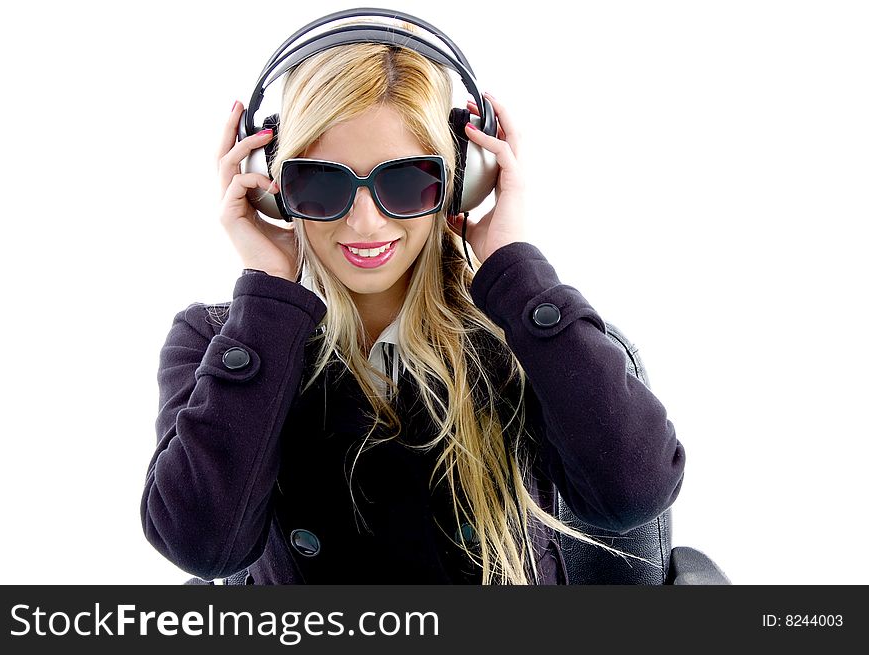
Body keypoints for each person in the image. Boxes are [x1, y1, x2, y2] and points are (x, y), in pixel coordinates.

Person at [140, 16, 686, 585]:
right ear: (272, 188)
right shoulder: (223, 342)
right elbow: (202, 546)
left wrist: (513, 264)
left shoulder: (519, 334)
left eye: (404, 182)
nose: (365, 222)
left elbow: (633, 492)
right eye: (320, 184)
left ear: (462, 181)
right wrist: (268, 295)